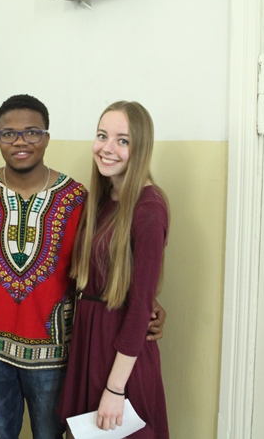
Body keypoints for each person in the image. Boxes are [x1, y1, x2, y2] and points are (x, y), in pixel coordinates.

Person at [0, 94, 166, 439]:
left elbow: (114, 262)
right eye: (8, 134)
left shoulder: (78, 199)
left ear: (47, 138)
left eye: (32, 132)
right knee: (0, 433)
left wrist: (147, 305)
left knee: (50, 435)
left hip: (54, 354)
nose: (20, 141)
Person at [58, 101, 170, 438]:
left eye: (123, 140)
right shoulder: (103, 200)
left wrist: (115, 388)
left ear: (141, 147)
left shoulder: (149, 209)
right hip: (91, 341)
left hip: (120, 353)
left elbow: (139, 307)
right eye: (102, 135)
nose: (107, 148)